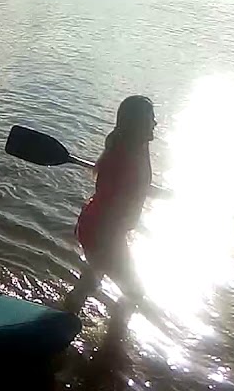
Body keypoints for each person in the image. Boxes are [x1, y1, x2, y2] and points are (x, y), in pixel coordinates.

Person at [62, 95, 157, 315]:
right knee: (134, 292)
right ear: (138, 124)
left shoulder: (136, 147)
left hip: (103, 228)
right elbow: (120, 189)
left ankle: (63, 316)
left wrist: (145, 188)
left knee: (91, 280)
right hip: (103, 231)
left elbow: (134, 185)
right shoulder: (124, 155)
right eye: (151, 118)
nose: (155, 123)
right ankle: (112, 340)